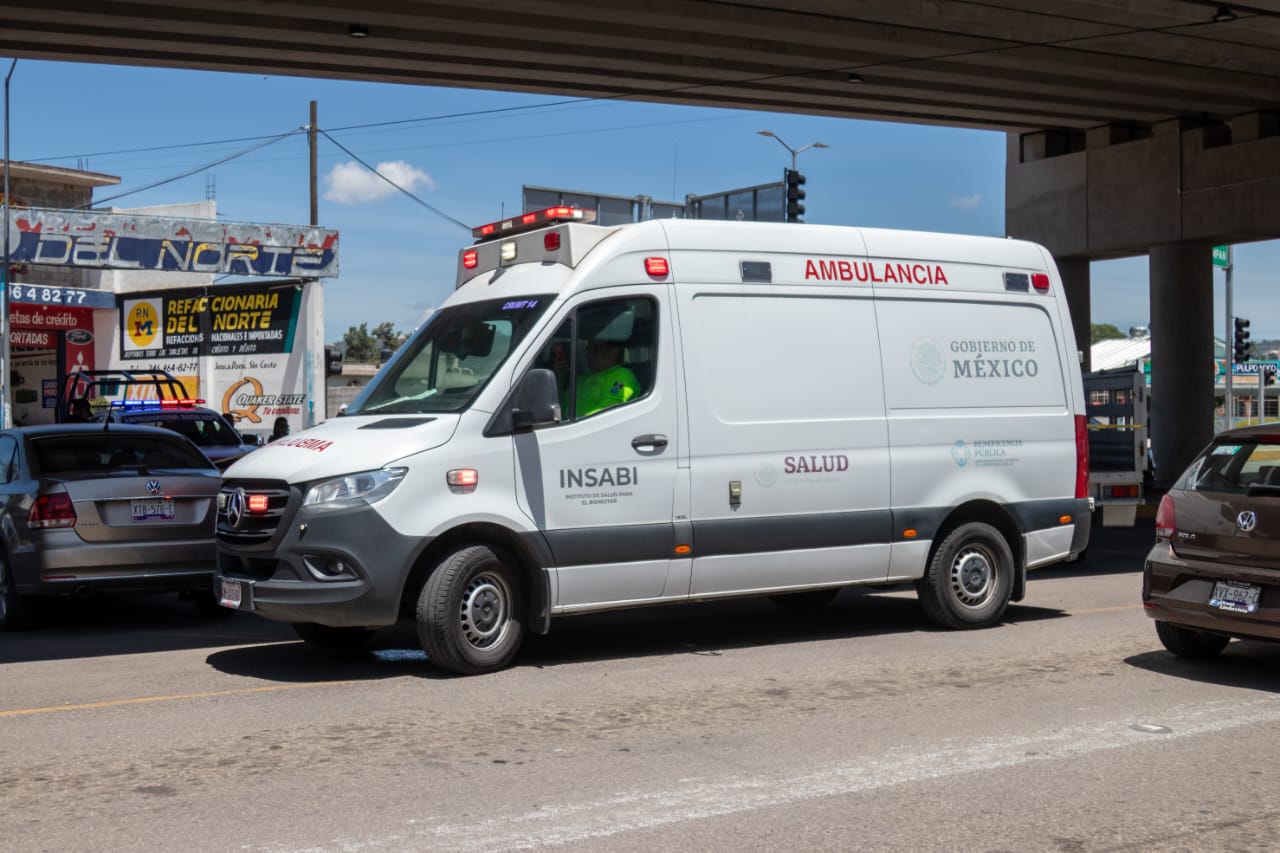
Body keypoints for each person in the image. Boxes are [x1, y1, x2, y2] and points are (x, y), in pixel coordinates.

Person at [566, 338, 640, 418]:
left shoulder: (622, 376)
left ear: (614, 351)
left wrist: (578, 426)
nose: (591, 354)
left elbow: (608, 410)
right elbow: (560, 406)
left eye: (598, 349)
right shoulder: (581, 378)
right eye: (589, 349)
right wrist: (560, 379)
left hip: (589, 428)